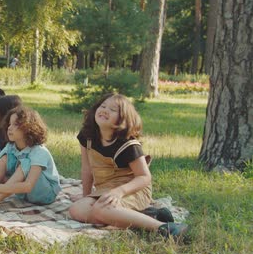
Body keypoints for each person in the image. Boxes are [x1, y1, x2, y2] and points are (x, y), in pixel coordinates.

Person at [67, 93, 188, 240]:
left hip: (132, 189)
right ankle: (149, 215)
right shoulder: (87, 136)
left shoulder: (128, 145)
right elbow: (86, 169)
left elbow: (144, 177)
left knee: (100, 210)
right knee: (76, 209)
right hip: (106, 189)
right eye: (103, 106)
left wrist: (119, 192)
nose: (105, 110)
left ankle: (163, 228)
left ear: (123, 119)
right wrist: (85, 197)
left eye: (112, 109)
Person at [0, 106, 61, 212]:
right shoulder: (11, 146)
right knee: (5, 158)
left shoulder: (39, 151)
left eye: (16, 125)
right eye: (9, 124)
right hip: (23, 194)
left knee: (26, 161)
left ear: (28, 128)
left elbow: (28, 186)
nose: (10, 128)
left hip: (44, 194)